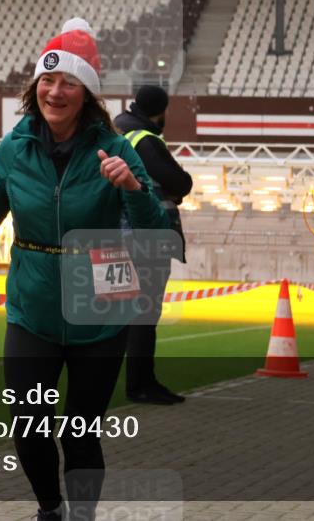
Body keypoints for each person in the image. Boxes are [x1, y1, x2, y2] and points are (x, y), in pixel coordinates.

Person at [0, 18, 168, 521]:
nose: (55, 91)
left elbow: (156, 230)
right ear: (34, 89)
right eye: (47, 81)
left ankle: (83, 516)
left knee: (81, 431)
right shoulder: (14, 148)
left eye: (68, 82)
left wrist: (133, 190)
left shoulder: (115, 150)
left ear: (87, 93)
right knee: (28, 425)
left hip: (101, 306)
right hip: (34, 307)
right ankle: (51, 510)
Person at [114, 85, 193, 405]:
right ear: (160, 111)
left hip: (118, 234)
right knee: (144, 312)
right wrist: (176, 190)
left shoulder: (119, 131)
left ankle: (120, 382)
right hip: (145, 237)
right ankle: (141, 384)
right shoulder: (144, 139)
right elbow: (179, 182)